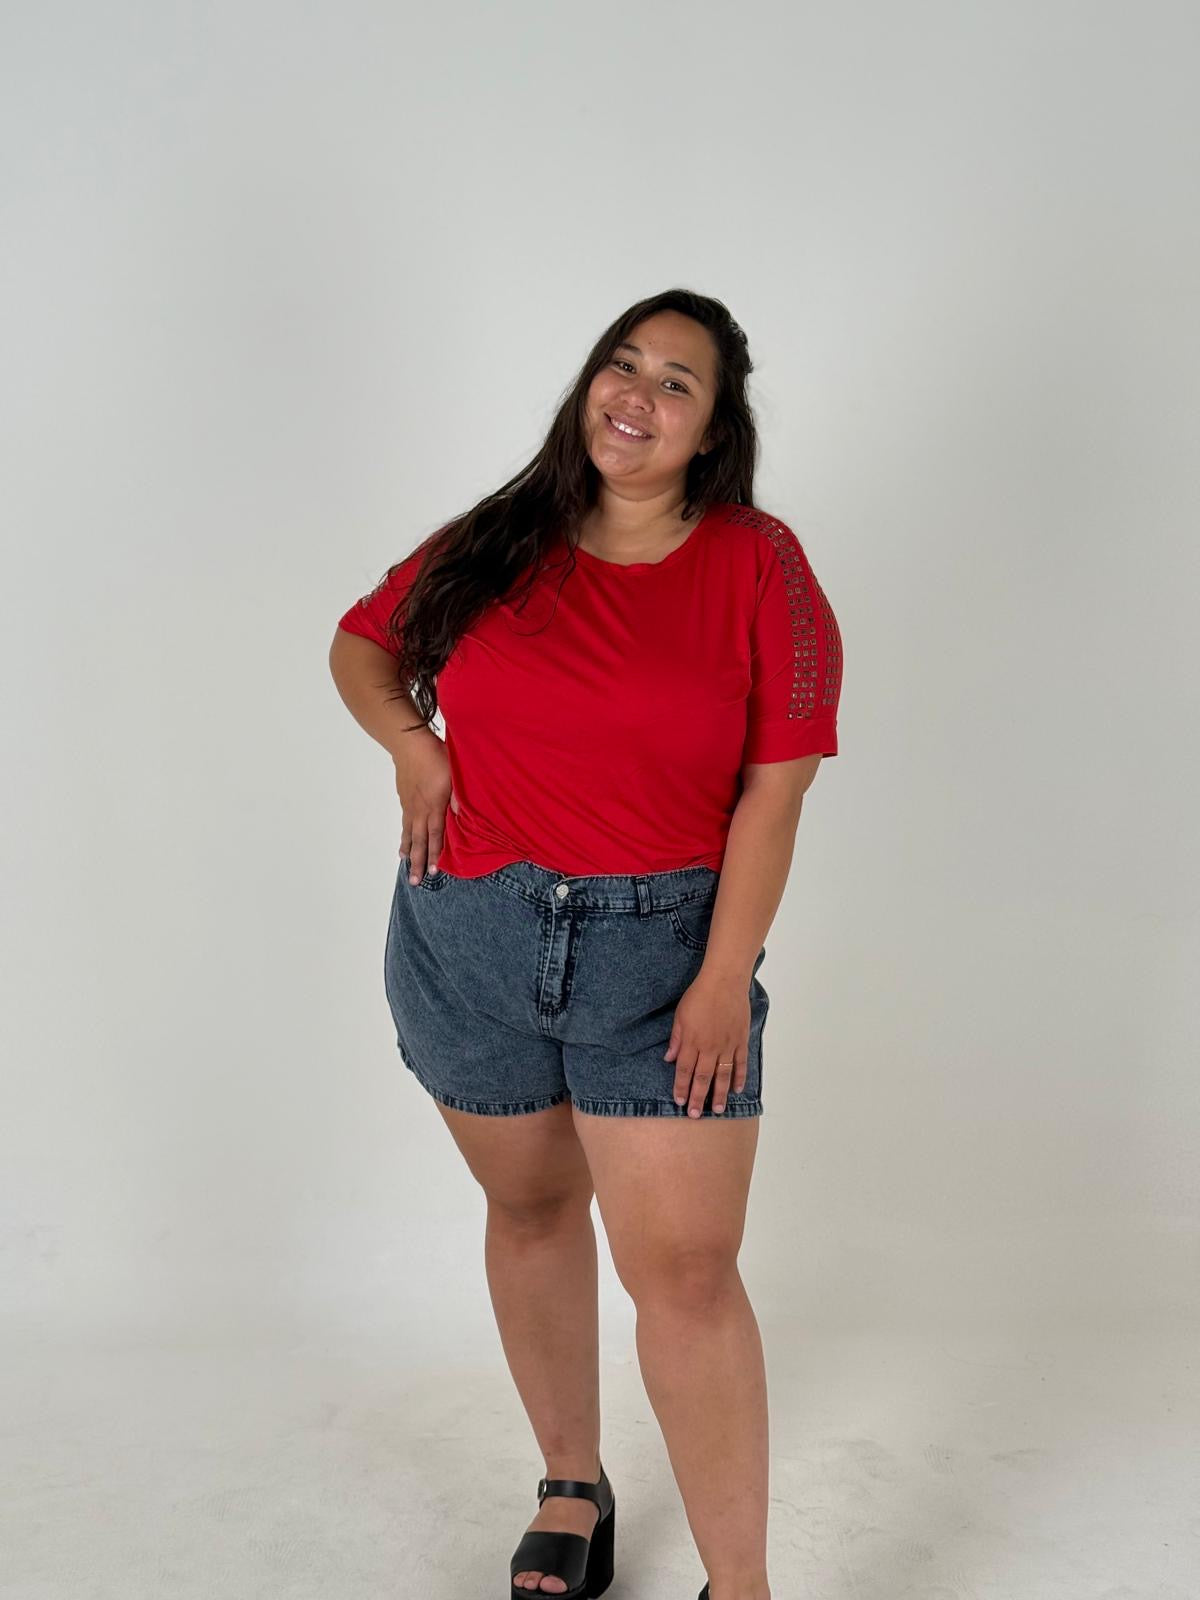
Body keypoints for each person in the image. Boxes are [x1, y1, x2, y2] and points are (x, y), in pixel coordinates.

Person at [328, 288, 843, 1600]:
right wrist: (415, 746)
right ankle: (571, 1481)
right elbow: (362, 645)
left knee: (689, 1274)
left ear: (712, 430)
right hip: (469, 932)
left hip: (663, 956)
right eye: (624, 364)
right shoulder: (497, 539)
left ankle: (742, 1587)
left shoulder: (759, 564)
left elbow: (775, 793)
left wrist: (722, 976)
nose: (638, 395)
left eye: (677, 382)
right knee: (531, 1207)